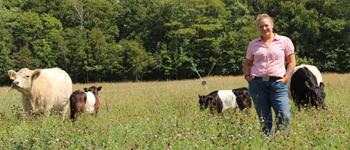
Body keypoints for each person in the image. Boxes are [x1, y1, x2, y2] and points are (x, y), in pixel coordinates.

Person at [243, 14, 296, 136]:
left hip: (277, 84)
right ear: (258, 28)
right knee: (264, 120)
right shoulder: (253, 44)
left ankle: (281, 143)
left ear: (272, 25)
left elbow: (292, 62)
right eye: (261, 26)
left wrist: (286, 78)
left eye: (266, 25)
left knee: (284, 115)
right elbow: (247, 64)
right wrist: (247, 77)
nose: (264, 28)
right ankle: (268, 144)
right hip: (258, 85)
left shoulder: (284, 41)